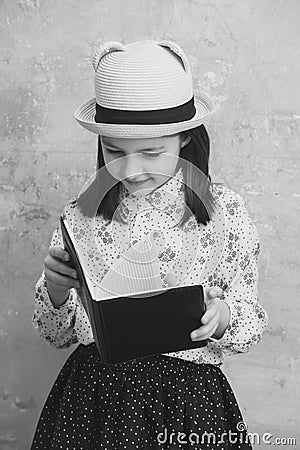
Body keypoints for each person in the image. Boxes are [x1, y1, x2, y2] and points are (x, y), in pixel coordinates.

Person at [31, 40, 268, 449]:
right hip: (93, 401)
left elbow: (251, 322)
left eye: (152, 152)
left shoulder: (223, 211)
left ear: (185, 140)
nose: (132, 169)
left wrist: (222, 316)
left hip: (189, 402)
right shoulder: (81, 214)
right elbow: (55, 335)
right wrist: (54, 289)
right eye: (115, 151)